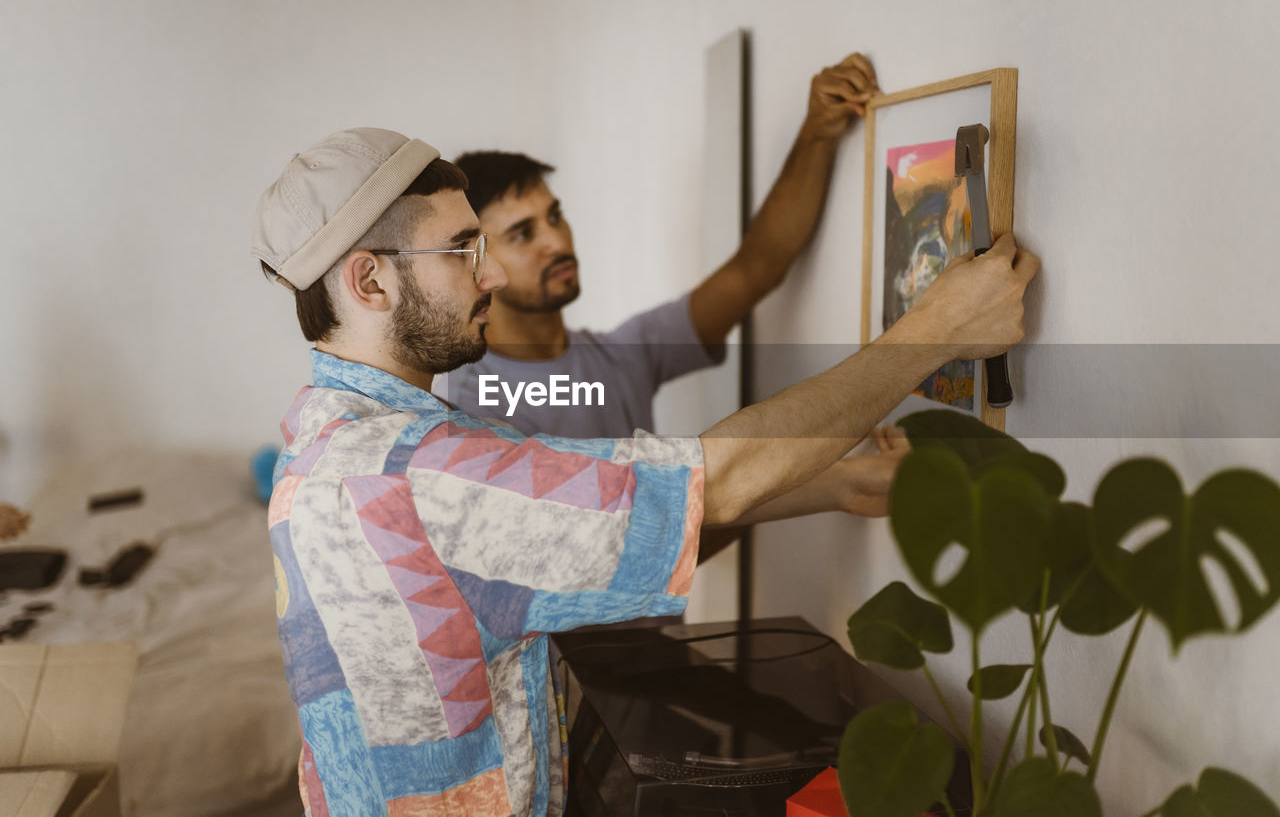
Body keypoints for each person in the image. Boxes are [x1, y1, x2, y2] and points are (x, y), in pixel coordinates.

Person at [251, 126, 1036, 816]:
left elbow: (633, 500)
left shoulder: (327, 435)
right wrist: (933, 331)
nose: (488, 275)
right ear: (369, 280)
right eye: (465, 249)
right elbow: (705, 486)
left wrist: (836, 483)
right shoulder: (422, 472)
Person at [443, 53, 905, 556]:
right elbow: (615, 556)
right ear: (477, 262)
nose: (555, 242)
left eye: (555, 216)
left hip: (653, 637)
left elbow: (757, 266)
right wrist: (840, 484)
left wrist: (818, 130)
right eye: (523, 233)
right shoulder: (472, 404)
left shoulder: (621, 356)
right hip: (558, 640)